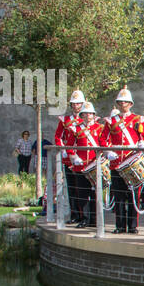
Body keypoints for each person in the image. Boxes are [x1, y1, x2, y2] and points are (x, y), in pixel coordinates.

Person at [104, 87, 144, 234]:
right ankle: (119, 225)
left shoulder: (138, 120)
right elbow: (103, 139)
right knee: (118, 196)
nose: (123, 104)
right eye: (120, 102)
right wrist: (108, 151)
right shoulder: (111, 121)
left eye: (125, 102)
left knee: (133, 196)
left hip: (132, 162)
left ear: (130, 104)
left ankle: (132, 226)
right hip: (116, 162)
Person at [69, 102, 104, 227]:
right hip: (81, 166)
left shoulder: (100, 128)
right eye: (85, 114)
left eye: (90, 113)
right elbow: (70, 146)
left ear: (94, 115)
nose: (88, 116)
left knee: (95, 194)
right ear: (82, 115)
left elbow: (104, 144)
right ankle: (84, 218)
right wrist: (74, 156)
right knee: (82, 194)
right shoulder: (76, 128)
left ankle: (95, 219)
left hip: (95, 165)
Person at [56, 90, 86, 225]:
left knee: (83, 188)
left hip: (82, 158)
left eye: (79, 103)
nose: (76, 106)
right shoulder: (65, 120)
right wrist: (62, 149)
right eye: (74, 103)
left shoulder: (86, 119)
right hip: (69, 157)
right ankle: (74, 214)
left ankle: (84, 215)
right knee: (71, 187)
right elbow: (58, 136)